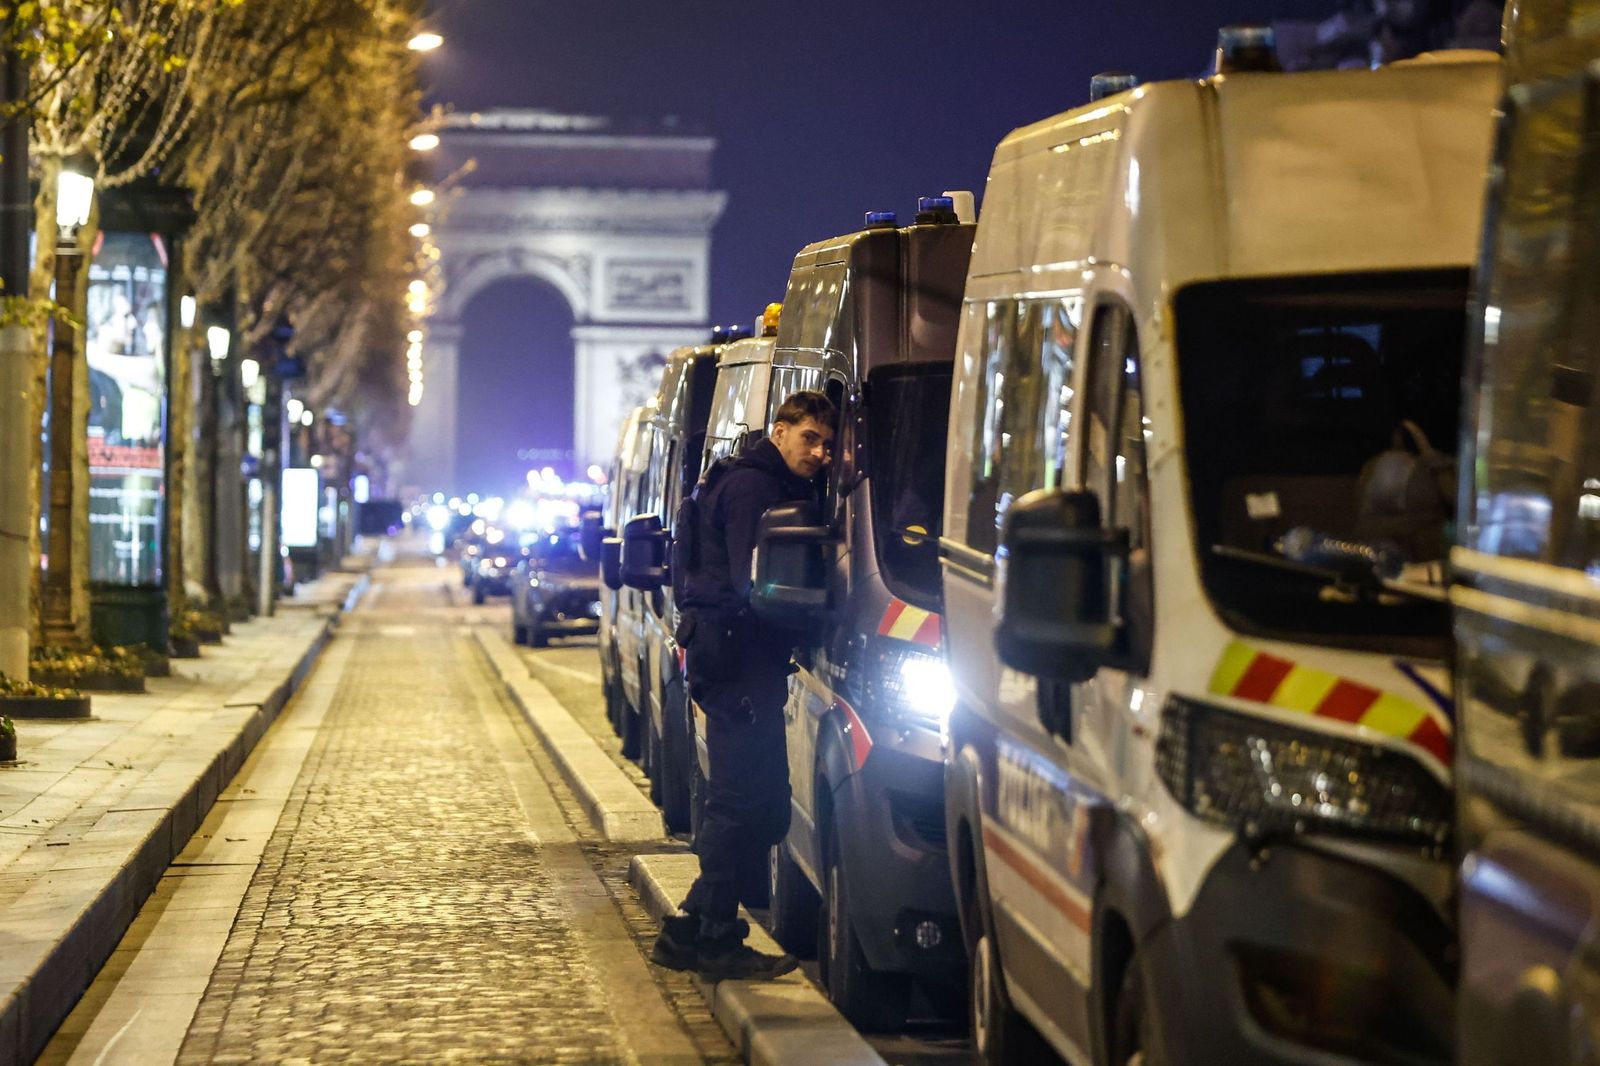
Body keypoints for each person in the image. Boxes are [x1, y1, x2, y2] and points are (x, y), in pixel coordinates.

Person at [651, 390, 835, 981]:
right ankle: (714, 939)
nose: (820, 453)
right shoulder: (756, 489)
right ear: (779, 431)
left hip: (732, 655)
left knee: (759, 804)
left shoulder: (750, 478)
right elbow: (755, 584)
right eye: (809, 437)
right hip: (738, 661)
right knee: (745, 803)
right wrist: (817, 621)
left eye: (828, 443)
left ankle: (693, 930)